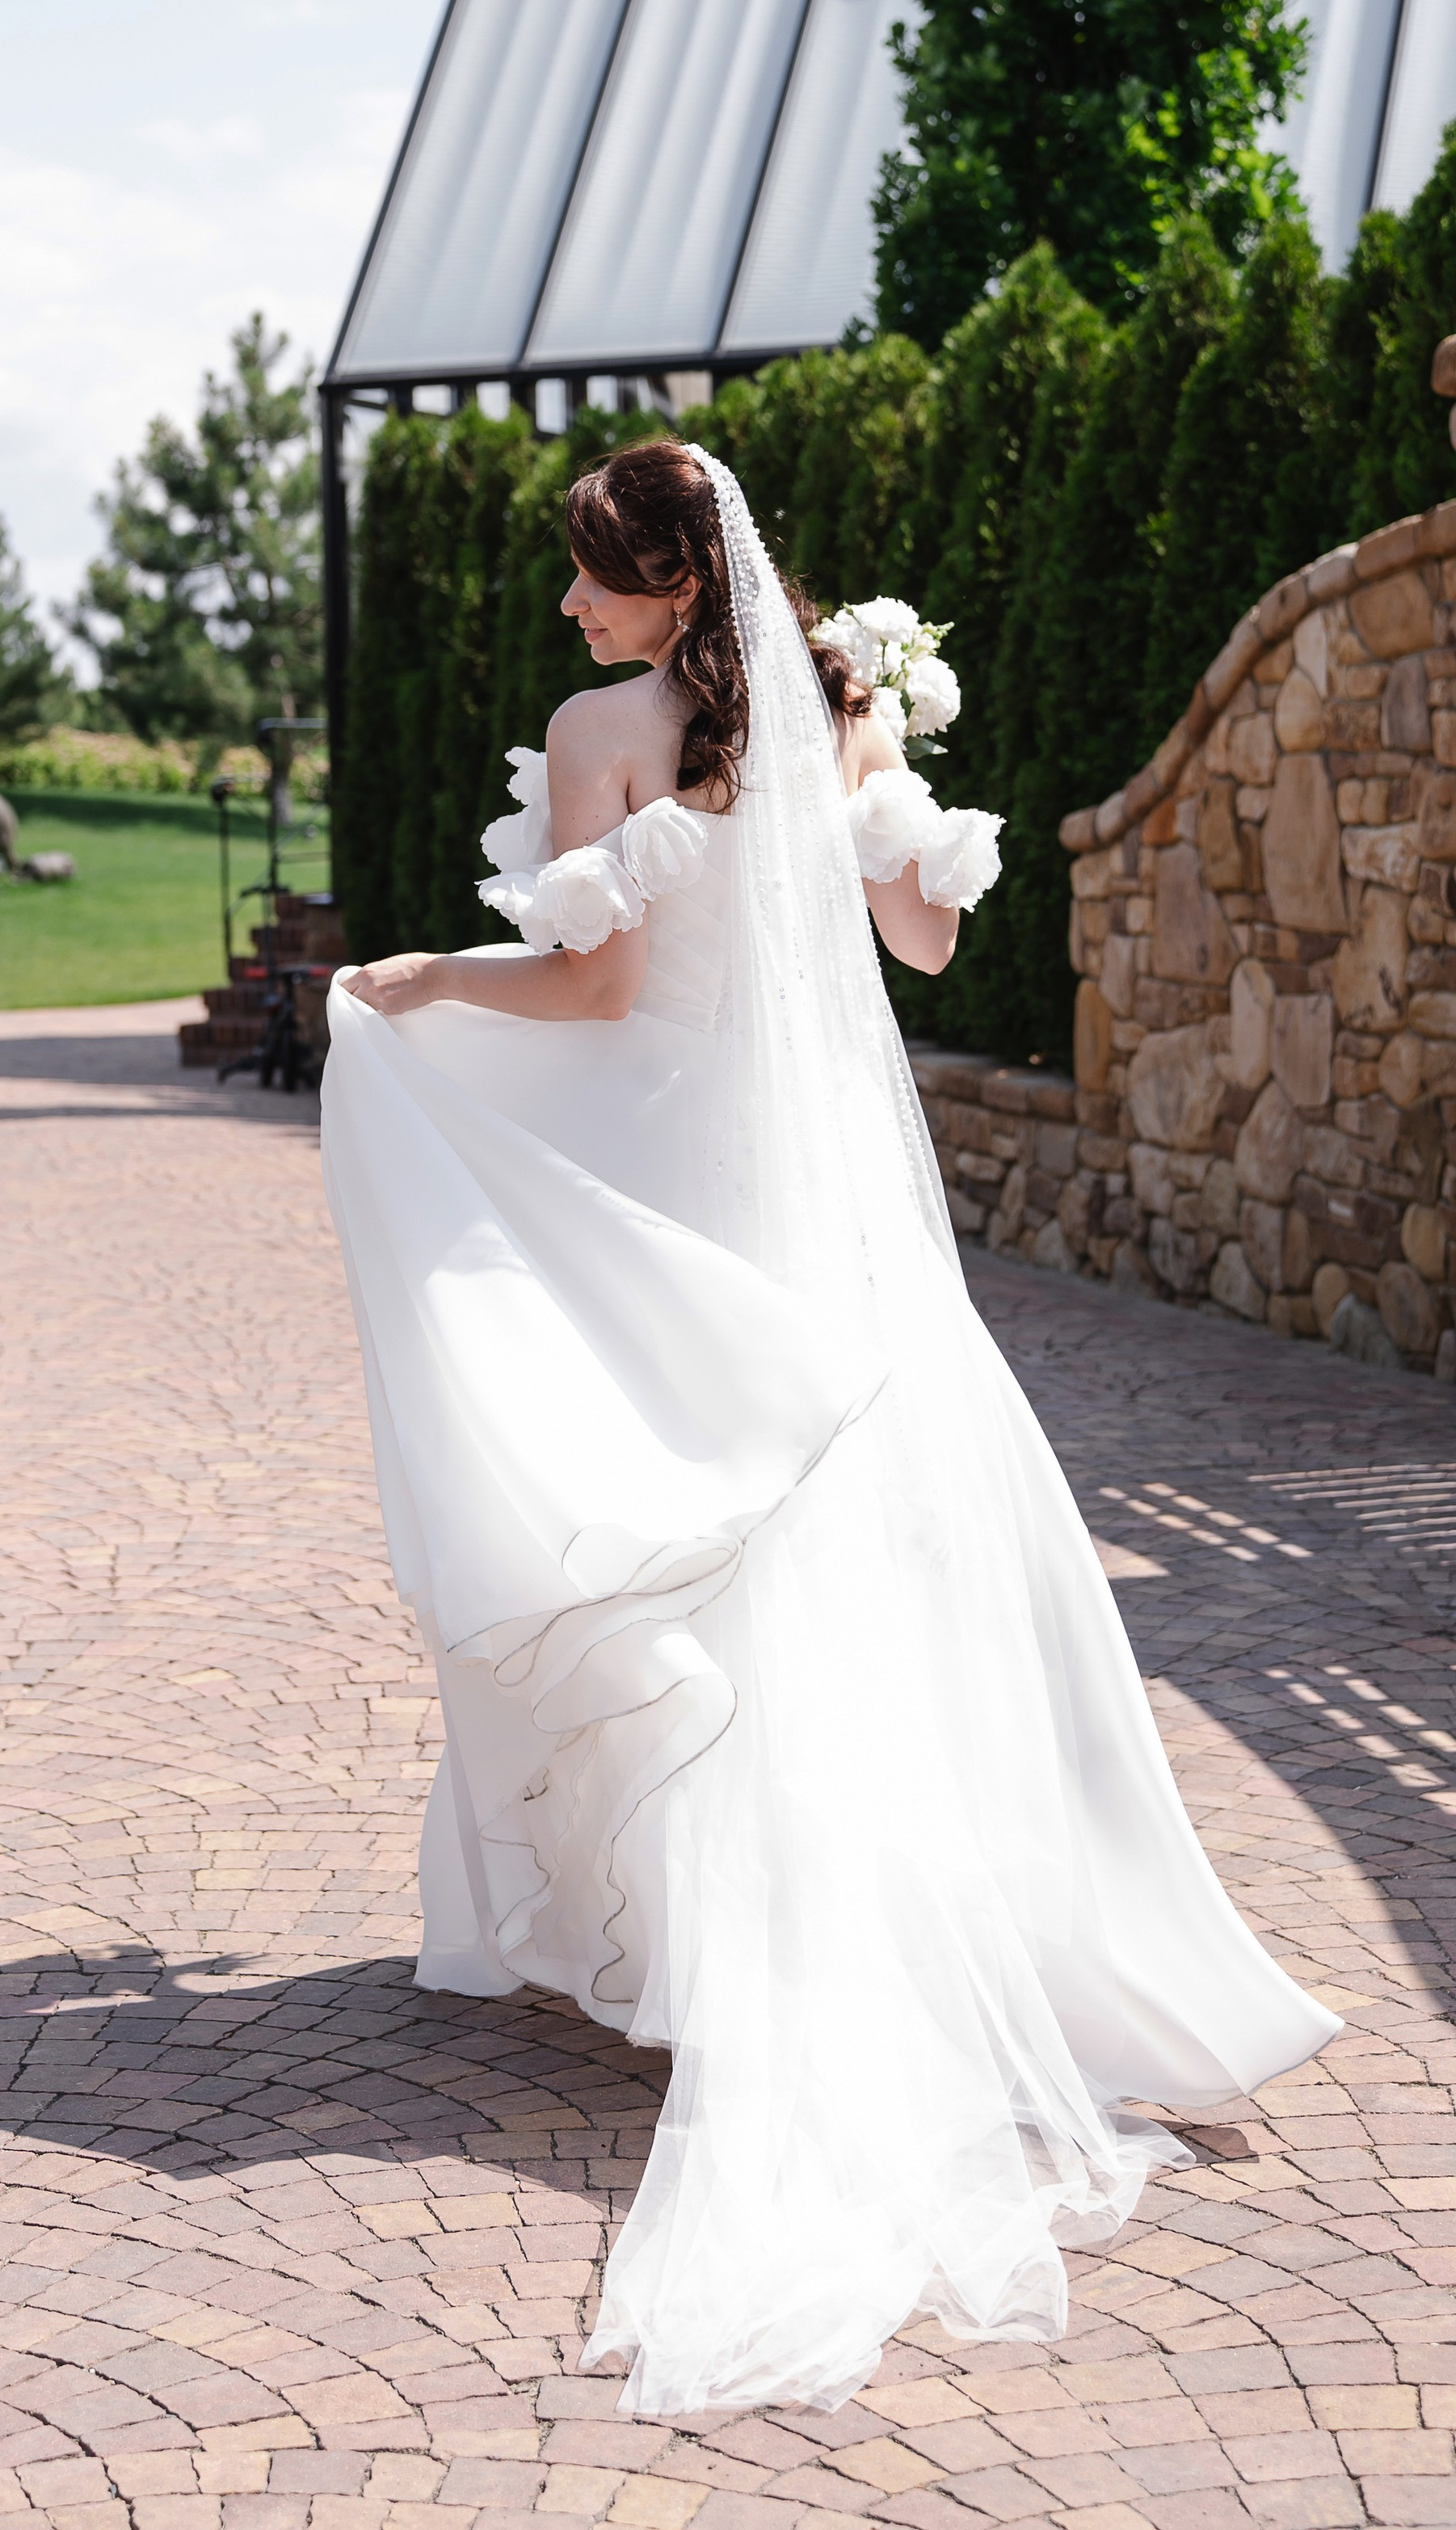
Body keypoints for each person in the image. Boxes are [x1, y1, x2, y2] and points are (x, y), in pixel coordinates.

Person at [318, 438, 1336, 2418]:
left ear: (674, 591)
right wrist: (886, 798)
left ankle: (748, 1967)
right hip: (846, 1217)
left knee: (701, 1539)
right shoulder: (825, 713)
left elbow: (598, 988)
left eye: (594, 579)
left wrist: (426, 976)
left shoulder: (601, 728)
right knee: (884, 1550)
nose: (567, 610)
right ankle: (943, 1942)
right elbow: (927, 950)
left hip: (696, 1183)